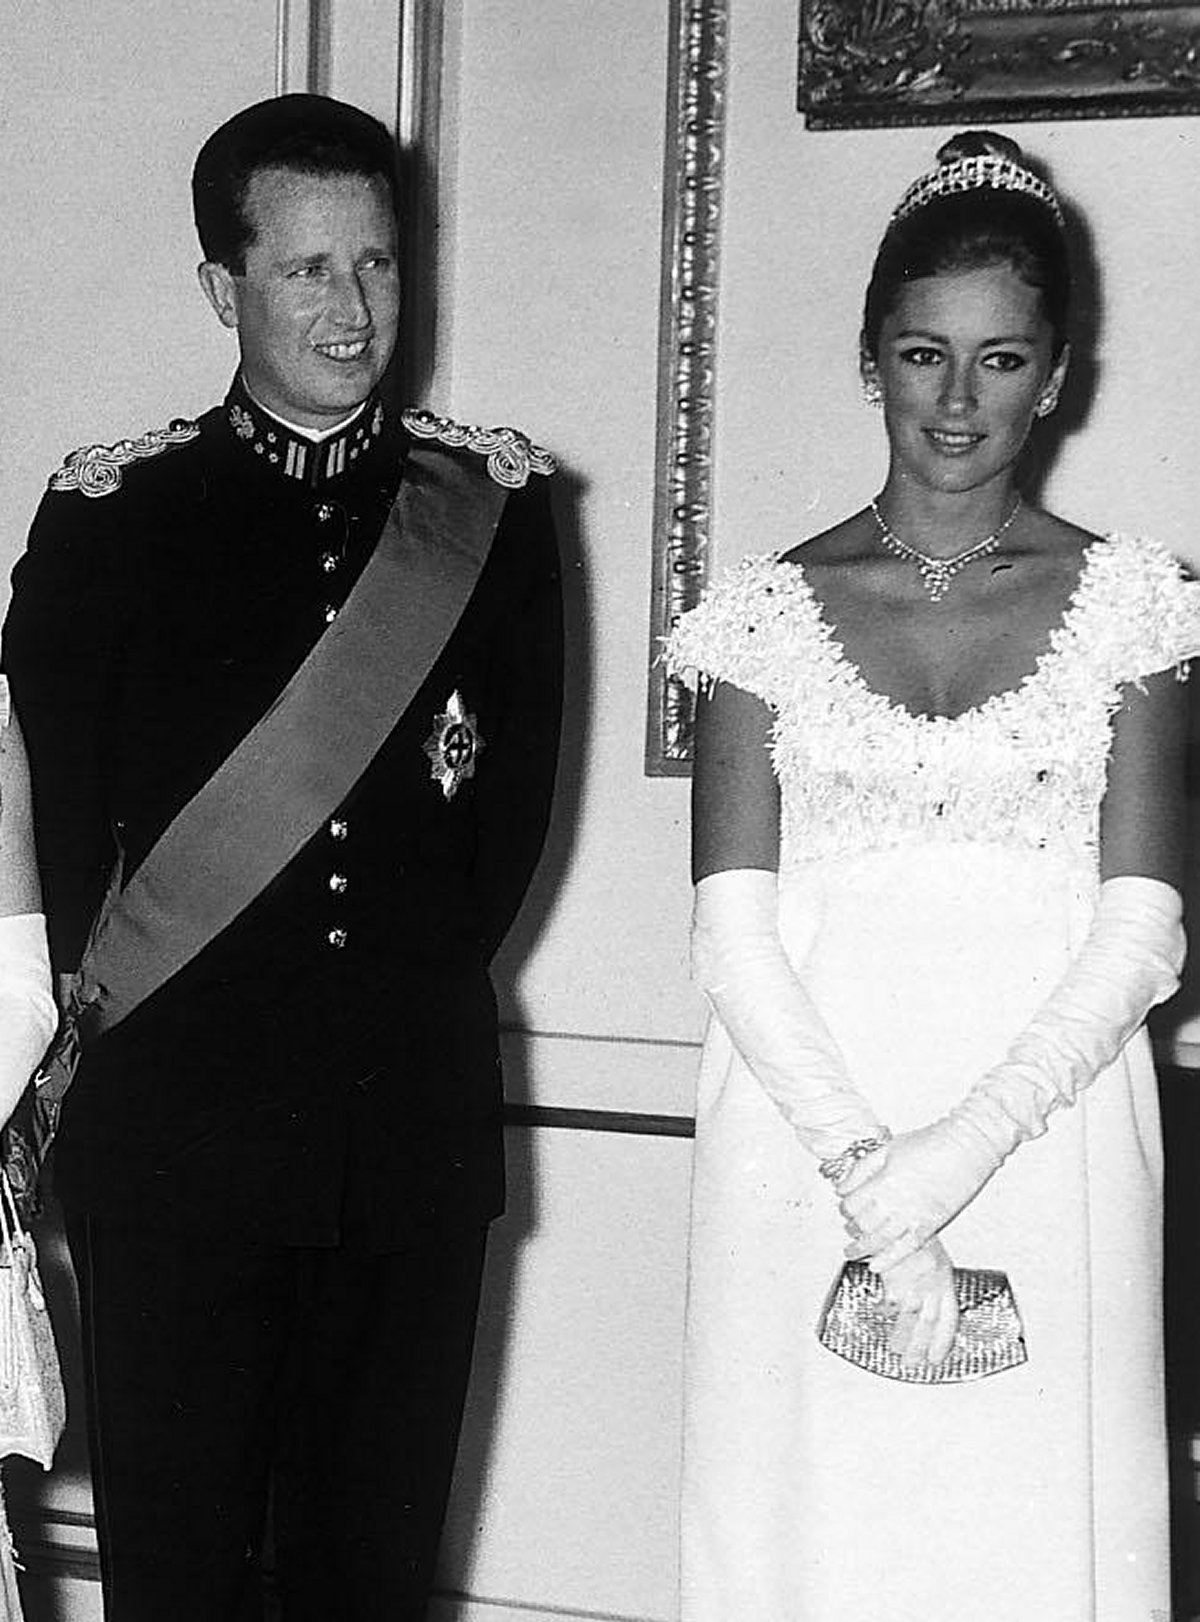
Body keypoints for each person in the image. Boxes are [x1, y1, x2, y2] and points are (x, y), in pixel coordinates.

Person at [2, 93, 562, 1621]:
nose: (353, 306)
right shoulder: (112, 521)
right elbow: (53, 850)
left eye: (378, 264)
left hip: (408, 1132)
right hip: (179, 1136)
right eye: (308, 268)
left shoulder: (498, 518)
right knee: (176, 1576)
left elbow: (503, 838)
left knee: (368, 1578)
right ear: (222, 289)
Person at [666, 130, 1199, 1621]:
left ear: (1059, 372)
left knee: (1018, 1534)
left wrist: (956, 1155)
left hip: (1051, 1139)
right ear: (869, 359)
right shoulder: (763, 617)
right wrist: (868, 1174)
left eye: (1002, 358)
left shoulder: (1137, 611)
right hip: (804, 1144)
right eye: (923, 354)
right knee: (816, 1527)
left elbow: (1146, 929)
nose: (959, 401)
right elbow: (730, 932)